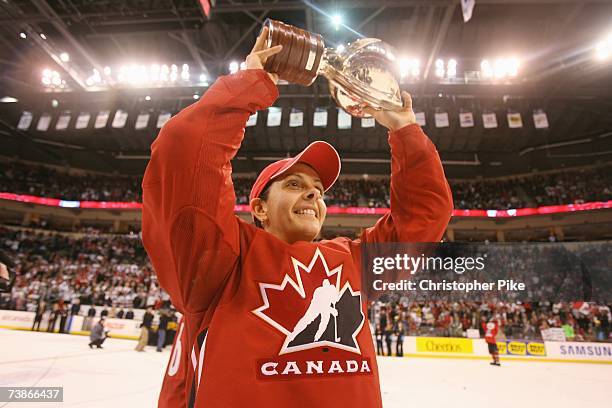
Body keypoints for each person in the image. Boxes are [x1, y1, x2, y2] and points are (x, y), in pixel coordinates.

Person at [142, 26, 452, 407]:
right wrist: (253, 82)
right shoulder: (222, 262)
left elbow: (424, 216)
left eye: (319, 190)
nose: (312, 193)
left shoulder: (353, 262)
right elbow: (184, 155)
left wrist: (405, 130)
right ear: (258, 208)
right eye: (293, 184)